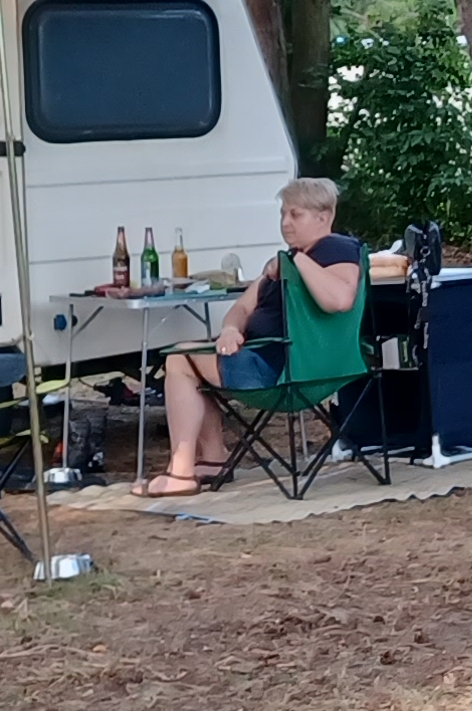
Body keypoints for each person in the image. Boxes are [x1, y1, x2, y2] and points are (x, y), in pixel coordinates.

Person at [138, 175, 360, 497]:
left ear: (323, 217)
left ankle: (181, 472)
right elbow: (242, 308)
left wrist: (296, 261)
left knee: (180, 360)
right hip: (269, 360)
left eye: (295, 214)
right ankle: (213, 459)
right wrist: (230, 330)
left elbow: (340, 300)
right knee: (193, 358)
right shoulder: (287, 259)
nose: (285, 222)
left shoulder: (336, 249)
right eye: (283, 213)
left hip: (287, 369)